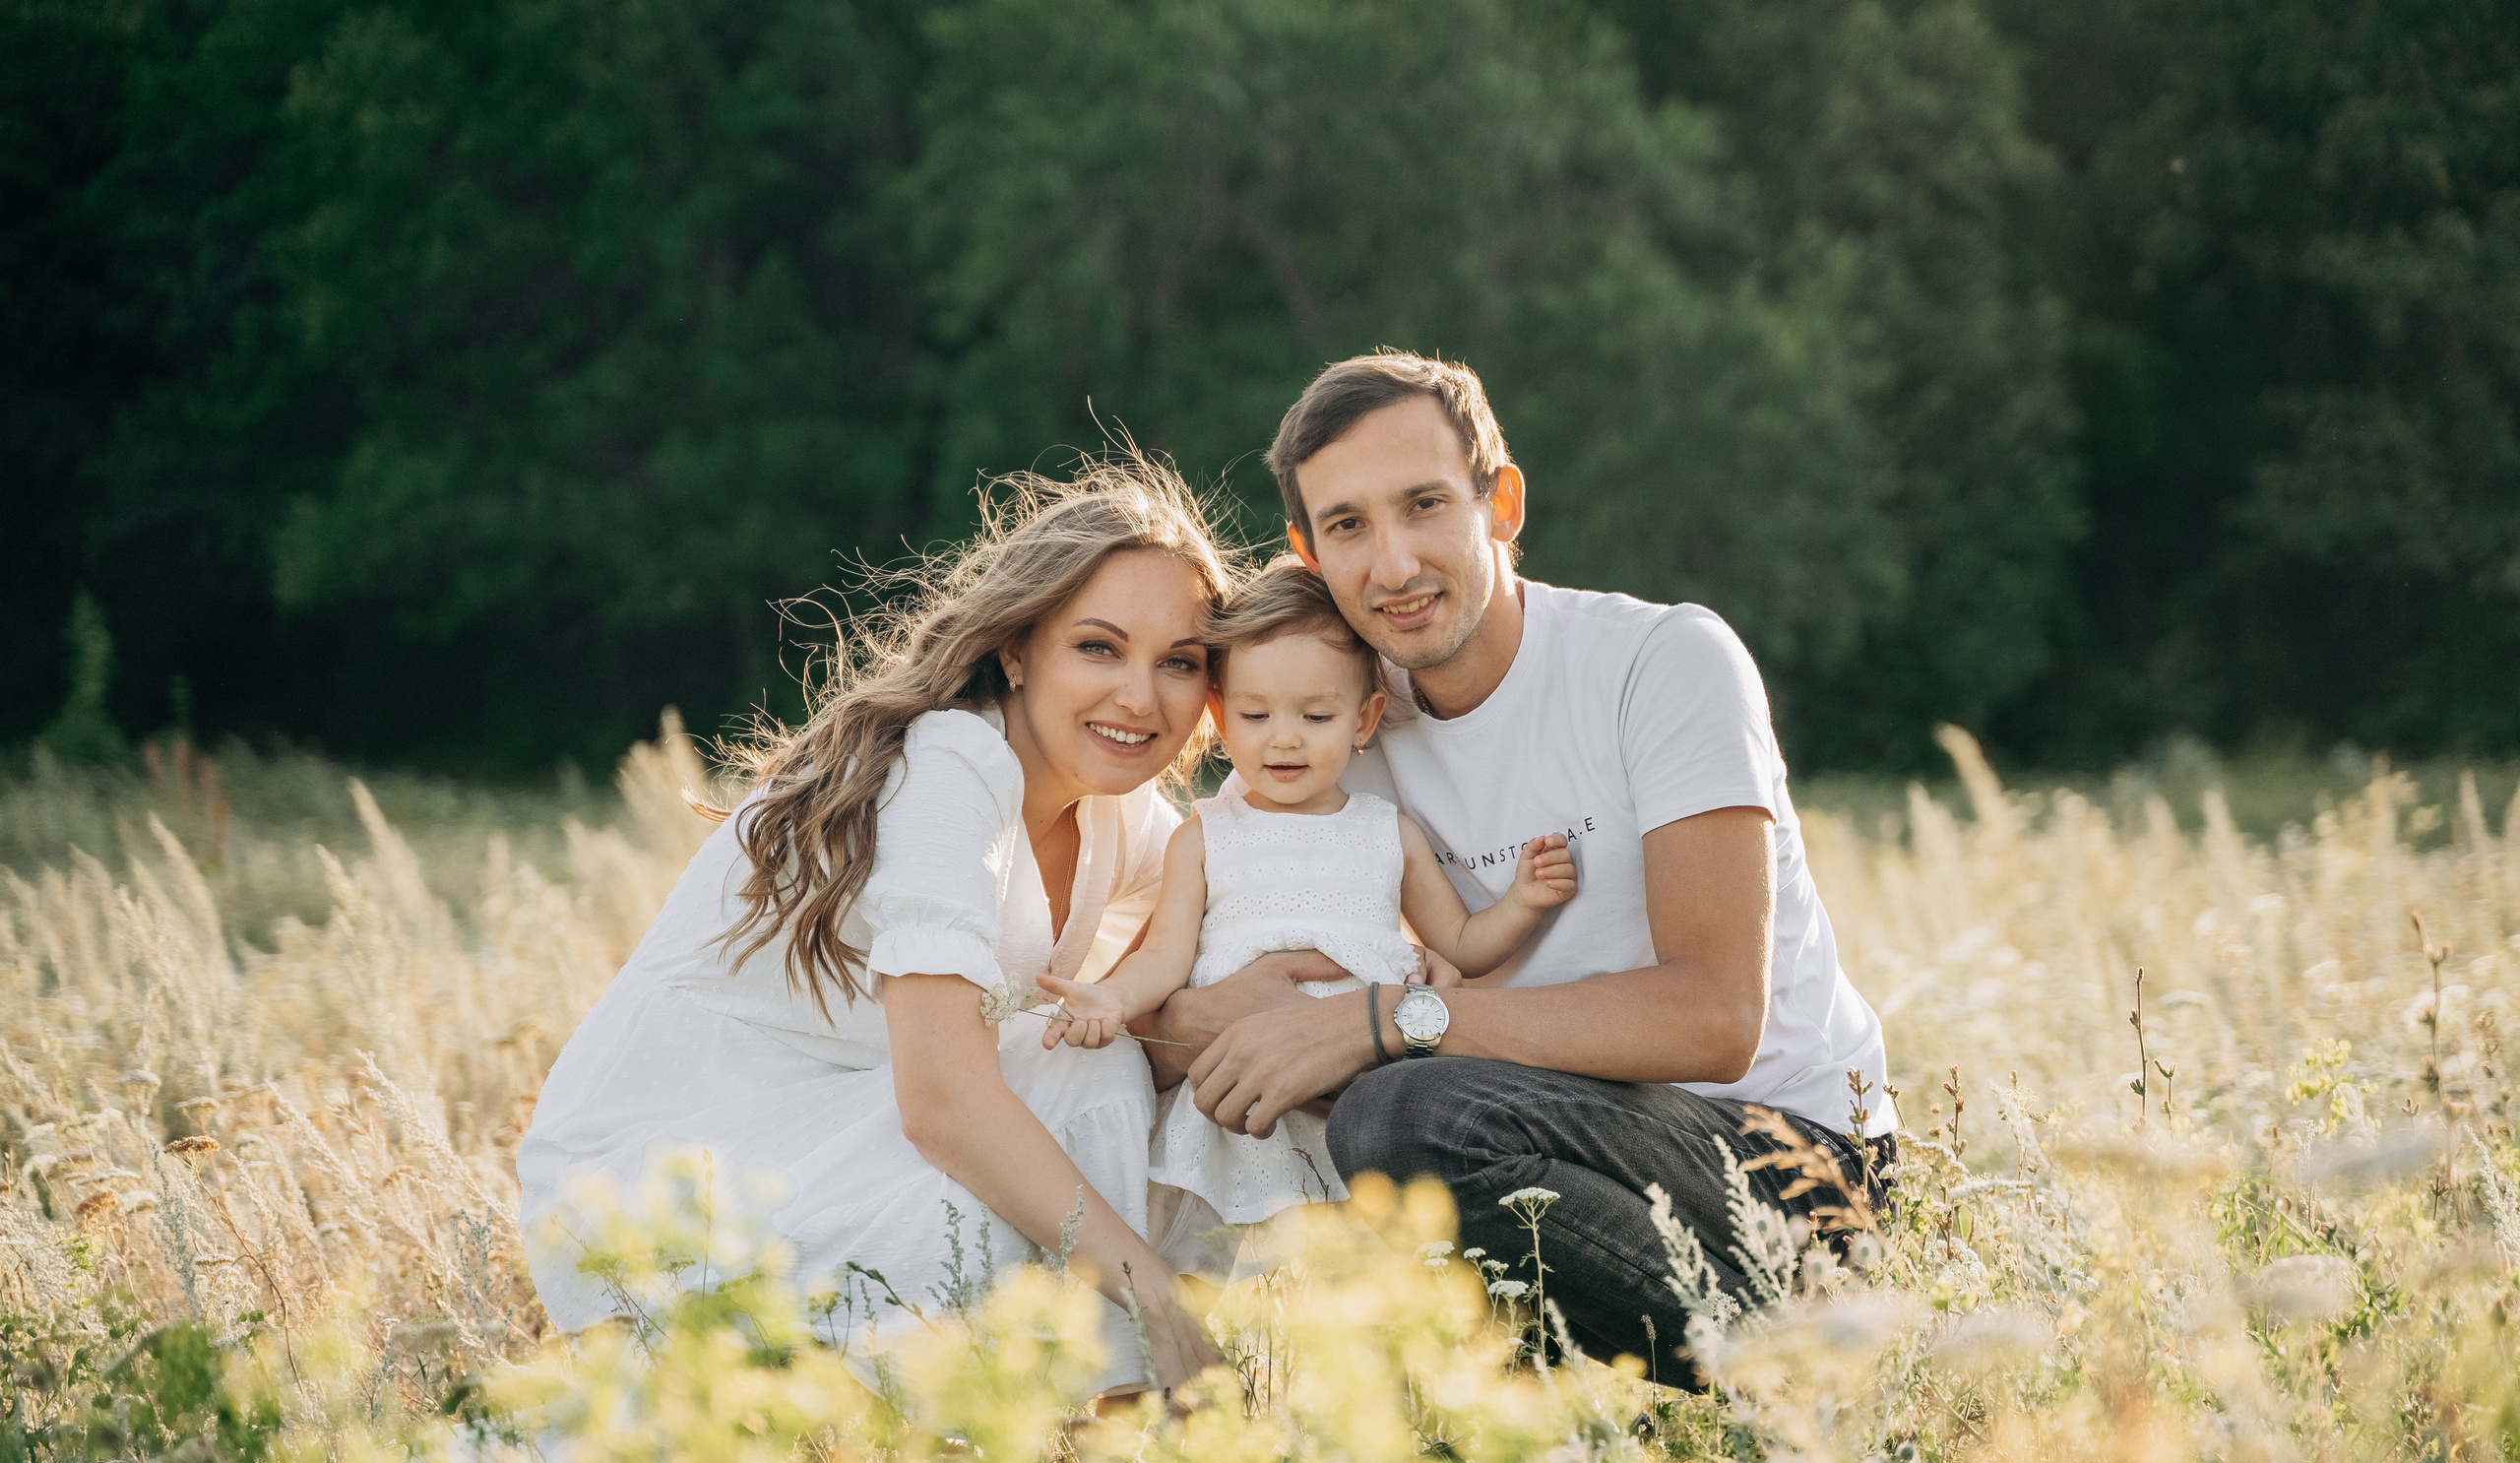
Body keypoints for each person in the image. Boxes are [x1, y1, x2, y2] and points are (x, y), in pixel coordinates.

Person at [1143, 352, 1894, 1378]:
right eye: (1349, 526)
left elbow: (1715, 1021)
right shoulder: (1334, 724)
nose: (1395, 563)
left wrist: (1379, 1023)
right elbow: (1234, 921)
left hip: (1784, 1165)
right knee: (1338, 1147)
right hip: (1523, 1139)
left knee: (1400, 1110)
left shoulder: (1661, 663)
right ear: (1307, 555)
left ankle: (1813, 1370)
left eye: (1424, 505)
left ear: (1501, 503)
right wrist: (1204, 1019)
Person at [516, 461, 1225, 1399]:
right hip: (673, 1166)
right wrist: (1154, 1292)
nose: (1142, 697)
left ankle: (1117, 1433)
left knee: (1112, 1066)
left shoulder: (1119, 816)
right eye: (1100, 648)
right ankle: (1138, 1399)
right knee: (1077, 1068)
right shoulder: (950, 768)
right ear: (1017, 651)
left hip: (837, 1127)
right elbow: (943, 1101)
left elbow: (1239, 938)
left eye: (1179, 662)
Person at [1034, 561, 1576, 1263]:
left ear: (1364, 719)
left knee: (1351, 1264)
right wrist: (1108, 996)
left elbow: (1463, 944)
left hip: (1356, 1087)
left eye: (1315, 716)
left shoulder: (1387, 830)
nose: (1283, 738)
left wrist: (1523, 901)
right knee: (1226, 1266)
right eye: (1256, 716)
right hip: (1238, 1097)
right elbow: (1164, 960)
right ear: (1222, 714)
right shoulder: (1204, 833)